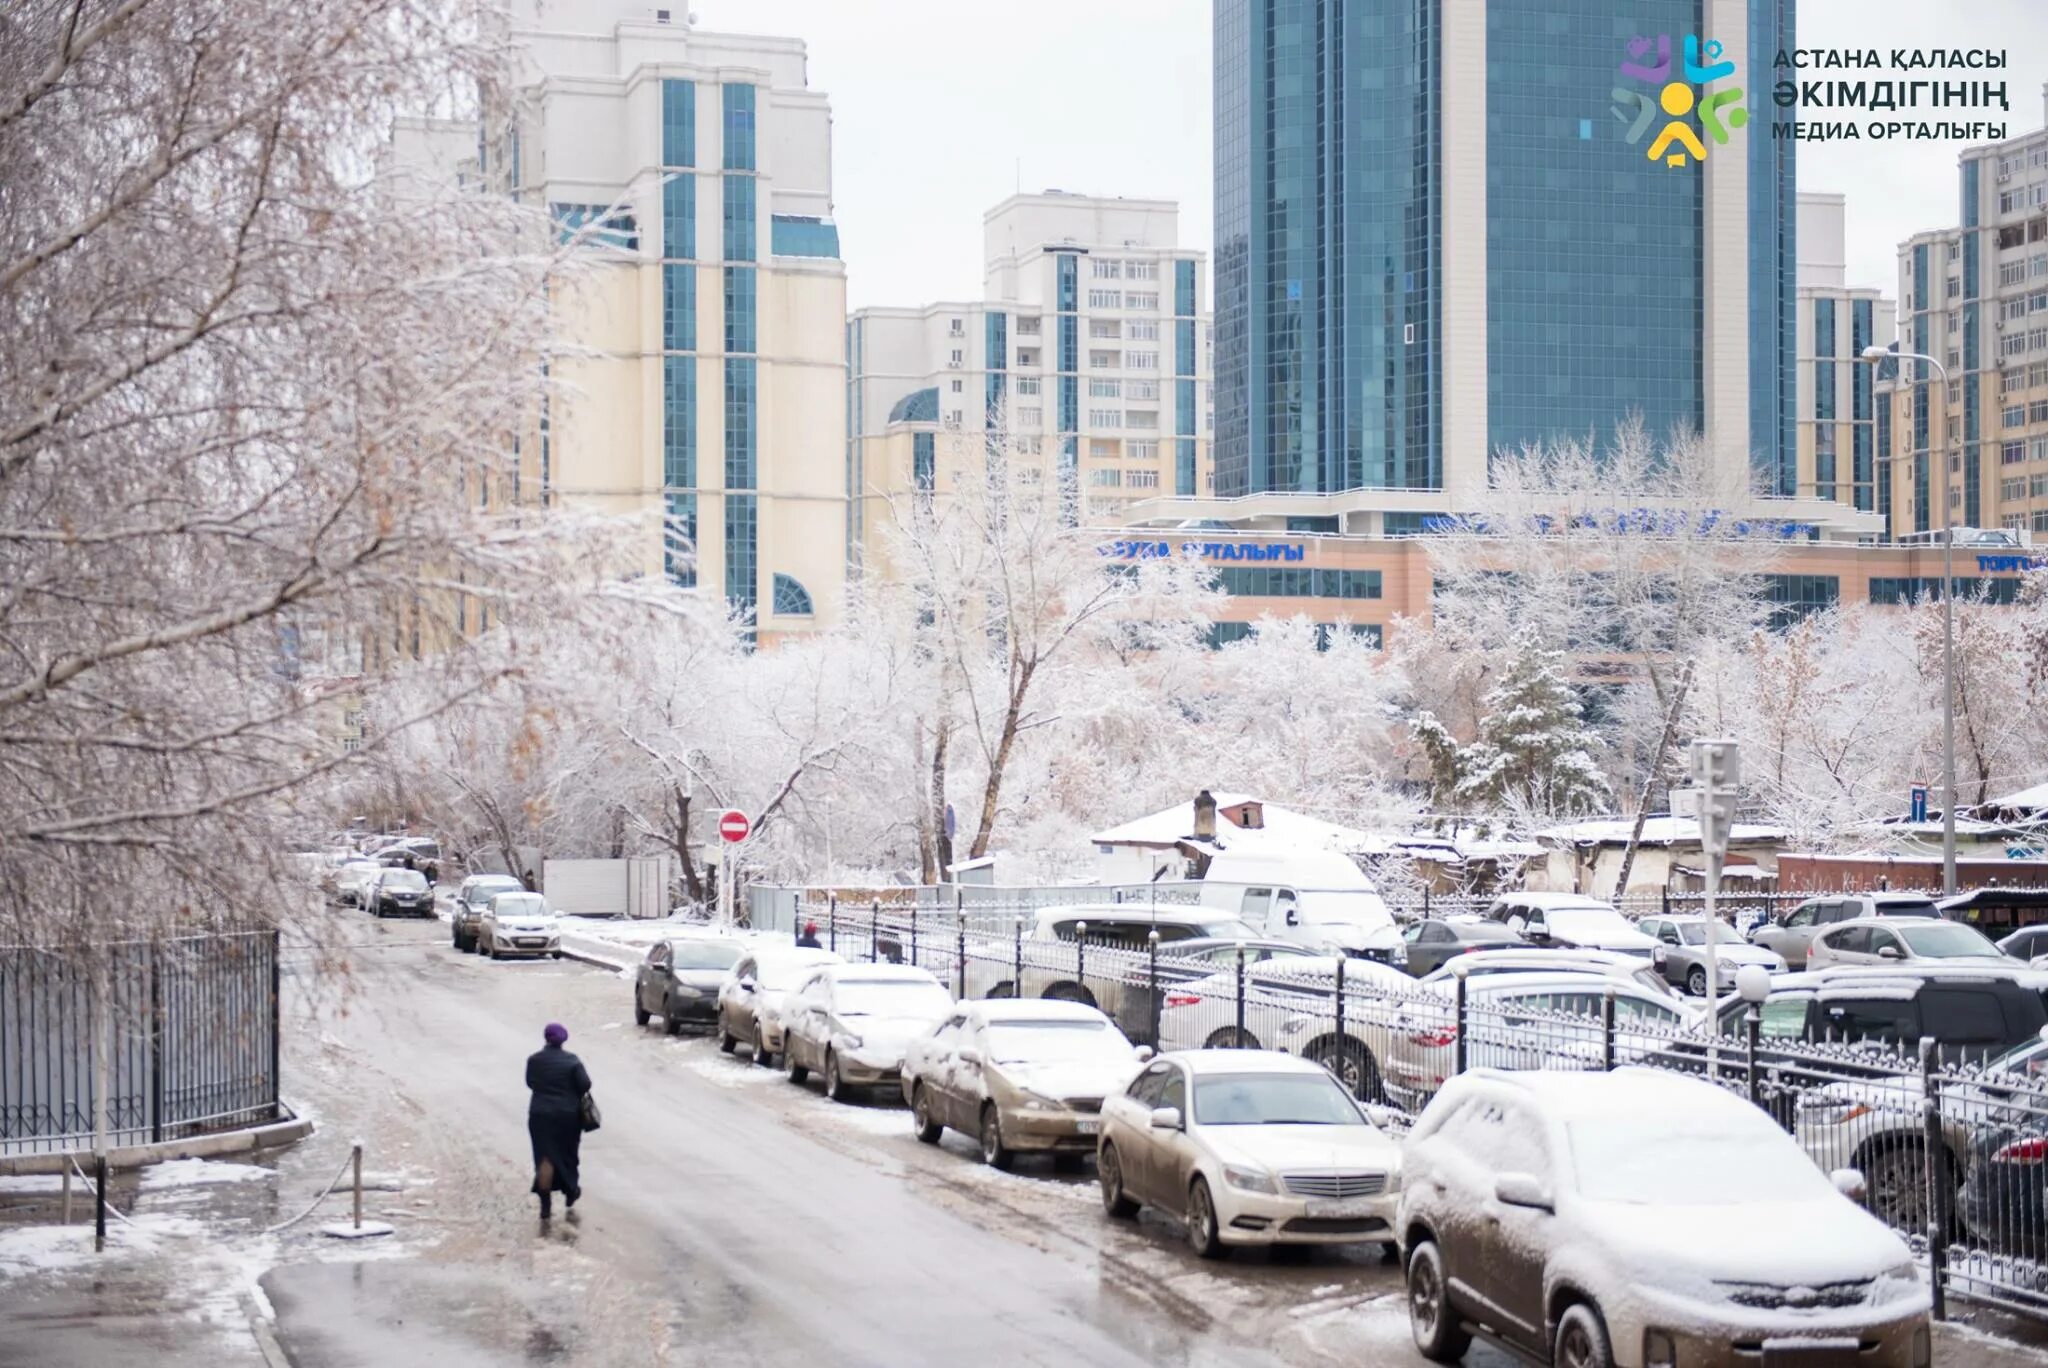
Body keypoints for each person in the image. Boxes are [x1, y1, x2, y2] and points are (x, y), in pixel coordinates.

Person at [525, 1022, 590, 1221]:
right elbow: (585, 1084)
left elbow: (530, 1082)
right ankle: (571, 1191)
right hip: (568, 1116)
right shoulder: (572, 1061)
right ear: (564, 1040)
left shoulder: (534, 1060)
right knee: (568, 1153)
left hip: (540, 1115)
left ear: (546, 1037)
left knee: (545, 1157)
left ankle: (545, 1204)